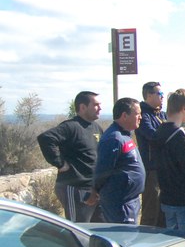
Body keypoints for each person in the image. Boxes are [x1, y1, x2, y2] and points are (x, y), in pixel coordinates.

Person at [37, 91, 104, 222]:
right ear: (83, 107)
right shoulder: (71, 126)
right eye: (96, 105)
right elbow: (46, 138)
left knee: (99, 231)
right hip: (76, 188)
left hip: (94, 189)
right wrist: (60, 164)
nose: (100, 108)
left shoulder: (96, 128)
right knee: (78, 230)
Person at [153, 88, 185, 236]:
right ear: (184, 108)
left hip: (167, 198)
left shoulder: (159, 131)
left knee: (172, 245)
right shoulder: (180, 136)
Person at [92, 98, 145, 224]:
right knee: (124, 239)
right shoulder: (114, 139)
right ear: (125, 116)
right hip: (120, 204)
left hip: (130, 201)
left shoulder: (125, 135)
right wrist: (94, 190)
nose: (140, 117)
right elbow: (102, 170)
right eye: (137, 114)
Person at [136, 81, 168, 227]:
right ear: (149, 95)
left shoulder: (160, 114)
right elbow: (152, 135)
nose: (162, 97)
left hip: (164, 168)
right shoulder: (143, 115)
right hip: (151, 169)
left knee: (163, 209)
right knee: (151, 208)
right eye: (159, 94)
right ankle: (144, 241)